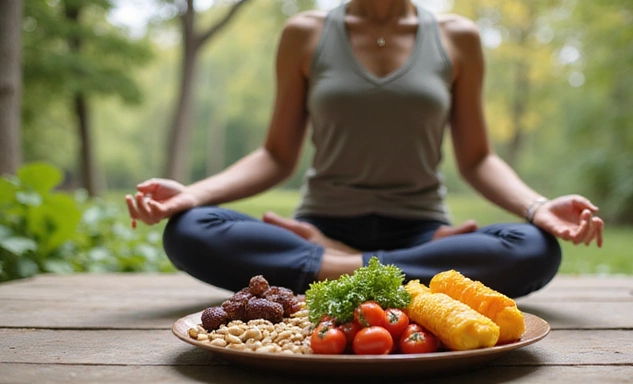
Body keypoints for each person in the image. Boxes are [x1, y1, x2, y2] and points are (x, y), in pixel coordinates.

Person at [125, 0, 604, 298]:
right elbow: (276, 155)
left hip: (421, 234)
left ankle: (337, 267)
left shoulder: (458, 37)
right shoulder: (304, 33)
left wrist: (538, 207)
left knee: (534, 247)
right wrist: (193, 195)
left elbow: (477, 159)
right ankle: (398, 279)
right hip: (317, 228)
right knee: (189, 229)